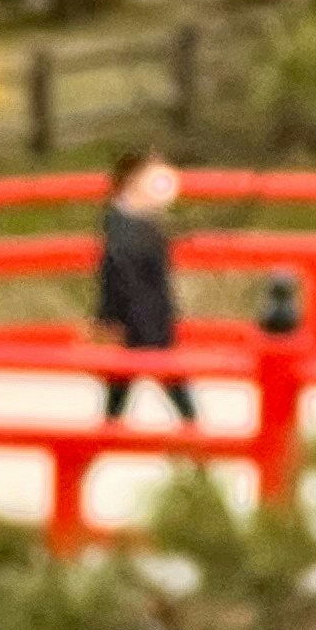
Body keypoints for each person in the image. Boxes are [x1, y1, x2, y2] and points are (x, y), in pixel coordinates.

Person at [94, 149, 196, 426]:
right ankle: (196, 436)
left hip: (148, 310)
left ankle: (106, 434)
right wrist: (109, 315)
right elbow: (115, 273)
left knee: (125, 383)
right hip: (136, 312)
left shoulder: (141, 218)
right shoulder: (123, 222)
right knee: (156, 377)